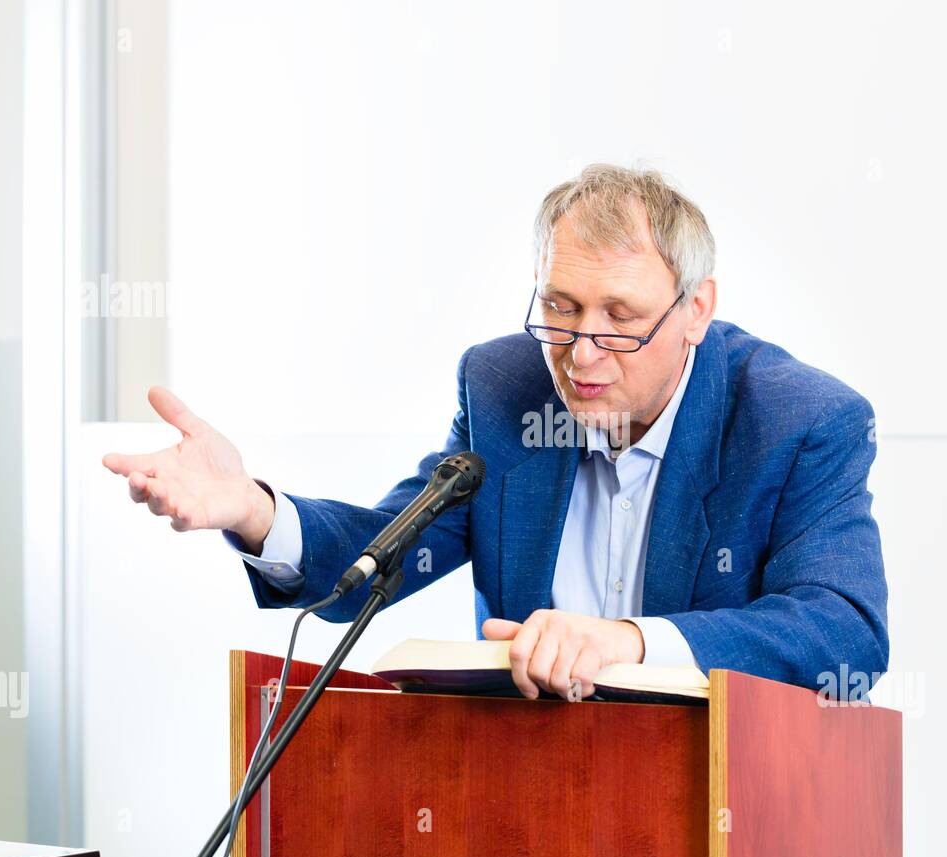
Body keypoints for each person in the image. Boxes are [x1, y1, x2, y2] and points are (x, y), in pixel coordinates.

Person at [102, 164, 888, 702]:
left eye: (621, 318)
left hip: (717, 803)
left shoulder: (797, 420)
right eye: (560, 307)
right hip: (525, 794)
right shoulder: (505, 389)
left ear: (697, 310)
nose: (581, 354)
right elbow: (383, 554)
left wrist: (630, 643)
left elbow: (844, 631)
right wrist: (252, 510)